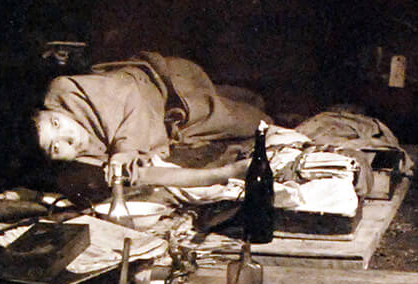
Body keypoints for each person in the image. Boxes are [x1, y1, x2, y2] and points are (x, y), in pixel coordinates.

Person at [33, 51, 268, 189]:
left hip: (165, 87)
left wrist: (125, 149)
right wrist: (223, 174)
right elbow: (144, 174)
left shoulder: (64, 91)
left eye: (56, 124)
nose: (69, 138)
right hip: (172, 125)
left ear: (51, 109)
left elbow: (129, 93)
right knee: (251, 123)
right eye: (55, 147)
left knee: (257, 116)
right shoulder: (80, 164)